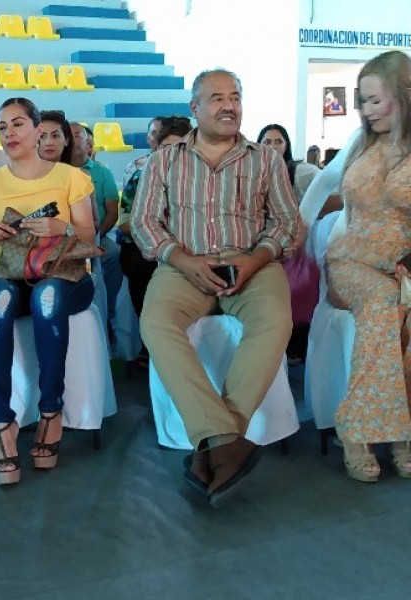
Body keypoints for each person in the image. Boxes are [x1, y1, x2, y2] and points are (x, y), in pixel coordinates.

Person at [131, 69, 299, 504]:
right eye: (217, 98)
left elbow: (286, 223)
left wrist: (255, 258)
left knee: (276, 322)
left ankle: (217, 441)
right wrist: (182, 259)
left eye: (236, 96)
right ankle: (226, 440)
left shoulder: (266, 158)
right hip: (184, 265)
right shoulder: (164, 160)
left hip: (252, 265)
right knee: (157, 323)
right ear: (195, 109)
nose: (229, 105)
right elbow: (144, 222)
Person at [0, 98, 95, 486]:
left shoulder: (72, 178)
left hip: (64, 275)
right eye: (2, 128)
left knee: (47, 298)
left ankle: (51, 412)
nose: (9, 134)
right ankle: (2, 423)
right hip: (6, 274)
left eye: (18, 124)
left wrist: (62, 228)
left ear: (39, 130)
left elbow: (89, 235)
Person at [324, 50, 411, 482]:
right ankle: (357, 430)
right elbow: (324, 191)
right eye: (363, 100)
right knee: (383, 301)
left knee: (403, 309)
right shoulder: (362, 144)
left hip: (403, 265)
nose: (367, 109)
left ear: (403, 95)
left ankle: (400, 431)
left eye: (376, 100)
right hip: (352, 261)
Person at [118, 118, 193, 330]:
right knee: (144, 266)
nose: (171, 155)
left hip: (191, 246)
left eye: (180, 148)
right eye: (165, 148)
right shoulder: (141, 176)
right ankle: (148, 340)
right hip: (145, 245)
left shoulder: (203, 179)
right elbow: (125, 224)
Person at [257, 124, 321, 363]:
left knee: (297, 285)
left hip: (295, 240)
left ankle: (296, 345)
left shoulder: (302, 173)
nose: (273, 146)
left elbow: (311, 210)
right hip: (263, 241)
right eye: (267, 142)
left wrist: (297, 239)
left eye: (278, 141)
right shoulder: (252, 172)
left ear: (287, 145)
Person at [70, 121, 122, 339]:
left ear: (88, 143)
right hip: (67, 235)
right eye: (69, 135)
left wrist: (97, 237)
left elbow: (111, 212)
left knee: (113, 253)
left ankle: (109, 313)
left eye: (78, 135)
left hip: (97, 234)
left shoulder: (101, 172)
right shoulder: (56, 170)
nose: (73, 140)